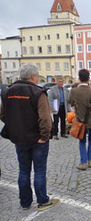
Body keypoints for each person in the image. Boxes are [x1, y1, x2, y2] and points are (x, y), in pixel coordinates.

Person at [0, 64, 59, 210]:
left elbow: (2, 114)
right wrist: (45, 136)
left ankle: (25, 201)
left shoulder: (8, 91)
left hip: (19, 138)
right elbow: (45, 118)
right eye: (38, 76)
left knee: (23, 170)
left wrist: (15, 127)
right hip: (37, 139)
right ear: (33, 77)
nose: (38, 78)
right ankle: (43, 200)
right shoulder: (37, 92)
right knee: (39, 170)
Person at [67, 69, 91, 170]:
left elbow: (70, 101)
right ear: (88, 78)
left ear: (79, 78)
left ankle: (83, 162)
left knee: (82, 140)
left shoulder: (74, 90)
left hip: (80, 119)